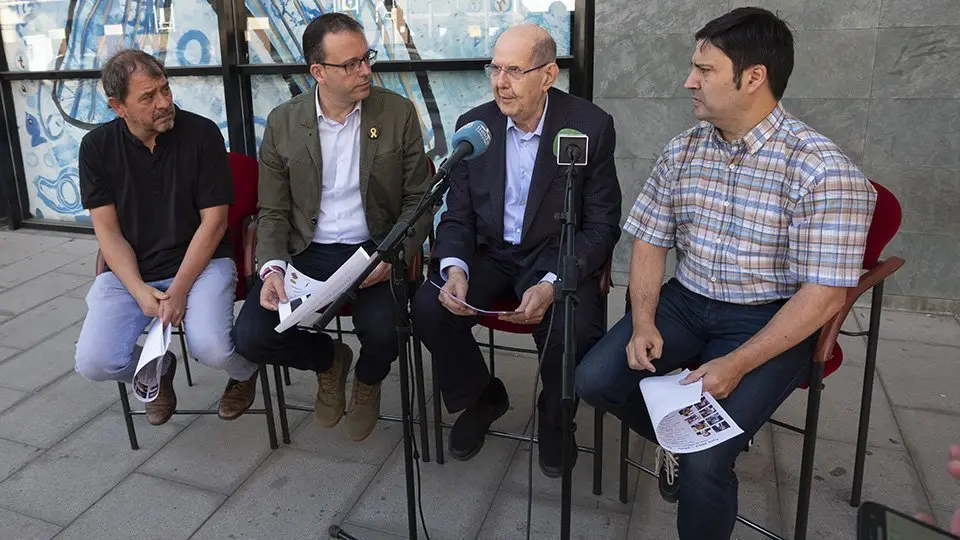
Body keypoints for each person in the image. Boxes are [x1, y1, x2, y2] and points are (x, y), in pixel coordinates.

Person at [574, 7, 877, 540]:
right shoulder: (683, 149)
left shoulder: (822, 169)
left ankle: (699, 454)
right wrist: (644, 320)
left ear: (753, 77)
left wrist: (737, 363)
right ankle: (678, 436)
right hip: (687, 302)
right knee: (594, 380)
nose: (689, 81)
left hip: (768, 318)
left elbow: (824, 295)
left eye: (705, 69)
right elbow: (649, 239)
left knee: (708, 461)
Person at [411, 24, 621, 478]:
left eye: (513, 71)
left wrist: (551, 284)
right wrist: (455, 268)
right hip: (490, 254)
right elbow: (457, 214)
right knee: (429, 305)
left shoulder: (589, 126)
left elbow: (602, 225)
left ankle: (553, 413)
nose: (500, 81)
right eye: (495, 68)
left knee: (576, 325)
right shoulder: (476, 126)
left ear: (547, 75)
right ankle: (482, 395)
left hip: (554, 254)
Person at [232, 13, 431, 442]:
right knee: (250, 337)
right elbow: (273, 211)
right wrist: (271, 270)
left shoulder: (396, 113)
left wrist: (393, 253)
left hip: (375, 247)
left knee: (385, 331)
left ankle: (368, 379)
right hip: (309, 252)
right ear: (317, 72)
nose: (365, 71)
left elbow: (419, 200)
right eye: (351, 64)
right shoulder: (284, 123)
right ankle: (329, 360)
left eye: (366, 58)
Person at [74, 49, 260, 425]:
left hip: (203, 262)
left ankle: (245, 373)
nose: (164, 103)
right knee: (93, 362)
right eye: (148, 97)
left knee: (211, 348)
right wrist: (141, 291)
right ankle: (157, 369)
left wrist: (178, 291)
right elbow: (107, 231)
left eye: (165, 89)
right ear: (117, 106)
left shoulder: (201, 133)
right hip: (133, 271)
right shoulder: (96, 148)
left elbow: (215, 223)